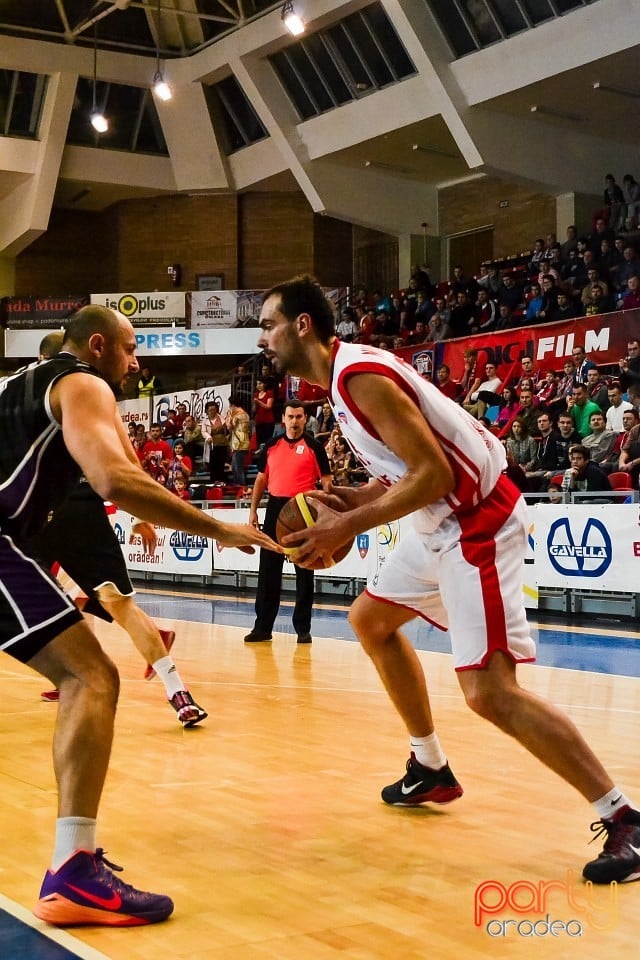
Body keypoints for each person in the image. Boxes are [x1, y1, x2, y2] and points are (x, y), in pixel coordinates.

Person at [256, 274, 640, 885]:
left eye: (269, 325)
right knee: (370, 620)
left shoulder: (359, 380)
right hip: (441, 521)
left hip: (475, 520)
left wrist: (347, 525)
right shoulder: (341, 383)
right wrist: (354, 495)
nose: (265, 340)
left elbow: (433, 474)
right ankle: (430, 766)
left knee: (490, 693)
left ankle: (623, 817)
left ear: (303, 325)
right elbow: (408, 469)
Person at [0, 305, 279, 928]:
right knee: (91, 678)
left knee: (87, 671)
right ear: (97, 346)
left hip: (19, 536)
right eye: (129, 350)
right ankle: (73, 869)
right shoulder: (81, 383)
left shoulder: (20, 383)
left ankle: (74, 860)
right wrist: (219, 530)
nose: (136, 362)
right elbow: (114, 478)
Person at [244, 402, 332, 645]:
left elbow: (327, 483)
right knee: (268, 571)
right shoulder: (271, 446)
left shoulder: (315, 448)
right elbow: (262, 480)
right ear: (283, 418)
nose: (295, 421)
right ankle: (262, 628)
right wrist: (253, 511)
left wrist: (328, 513)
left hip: (303, 511)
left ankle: (303, 629)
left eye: (299, 417)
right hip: (274, 509)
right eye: (291, 416)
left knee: (305, 571)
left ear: (305, 419)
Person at [225, 394, 251, 488]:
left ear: (232, 404)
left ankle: (241, 486)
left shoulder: (236, 414)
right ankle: (237, 484)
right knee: (235, 466)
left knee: (237, 468)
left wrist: (228, 416)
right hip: (243, 439)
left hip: (238, 441)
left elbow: (229, 426)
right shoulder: (245, 413)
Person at [201, 400, 228, 484]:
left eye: (214, 409)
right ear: (207, 411)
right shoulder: (205, 421)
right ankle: (213, 482)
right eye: (210, 410)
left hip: (222, 443)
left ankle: (222, 481)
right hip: (212, 444)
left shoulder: (222, 419)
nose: (213, 411)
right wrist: (208, 437)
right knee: (213, 464)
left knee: (221, 463)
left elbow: (227, 430)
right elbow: (203, 431)